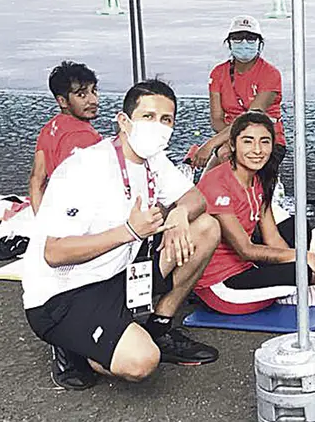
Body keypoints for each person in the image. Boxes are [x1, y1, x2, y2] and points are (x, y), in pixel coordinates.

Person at [22, 79, 220, 391]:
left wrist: (180, 213)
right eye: (148, 117)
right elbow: (54, 253)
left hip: (119, 274)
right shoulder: (85, 168)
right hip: (66, 293)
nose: (158, 126)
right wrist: (128, 232)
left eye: (166, 119)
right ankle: (74, 347)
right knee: (141, 362)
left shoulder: (154, 160)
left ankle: (159, 325)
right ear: (124, 121)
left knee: (206, 227)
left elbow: (195, 199)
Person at [193, 111, 315, 315]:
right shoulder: (217, 183)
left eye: (264, 142)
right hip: (222, 286)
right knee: (304, 271)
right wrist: (303, 259)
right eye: (248, 142)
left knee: (298, 228)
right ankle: (287, 291)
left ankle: (286, 287)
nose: (257, 150)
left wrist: (295, 263)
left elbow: (272, 238)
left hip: (248, 266)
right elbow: (246, 250)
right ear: (232, 145)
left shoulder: (259, 178)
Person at [192, 15, 285, 173]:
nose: (244, 43)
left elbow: (252, 116)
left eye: (250, 38)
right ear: (229, 42)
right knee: (208, 181)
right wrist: (231, 141)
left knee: (230, 159)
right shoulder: (218, 73)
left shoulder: (270, 74)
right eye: (238, 38)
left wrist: (210, 145)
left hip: (265, 138)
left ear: (259, 43)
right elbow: (216, 119)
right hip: (229, 138)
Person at [28, 62, 103, 213]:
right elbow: (81, 190)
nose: (93, 100)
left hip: (56, 214)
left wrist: (42, 224)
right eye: (81, 95)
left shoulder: (48, 129)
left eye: (93, 91)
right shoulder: (84, 137)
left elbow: (37, 181)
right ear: (62, 101)